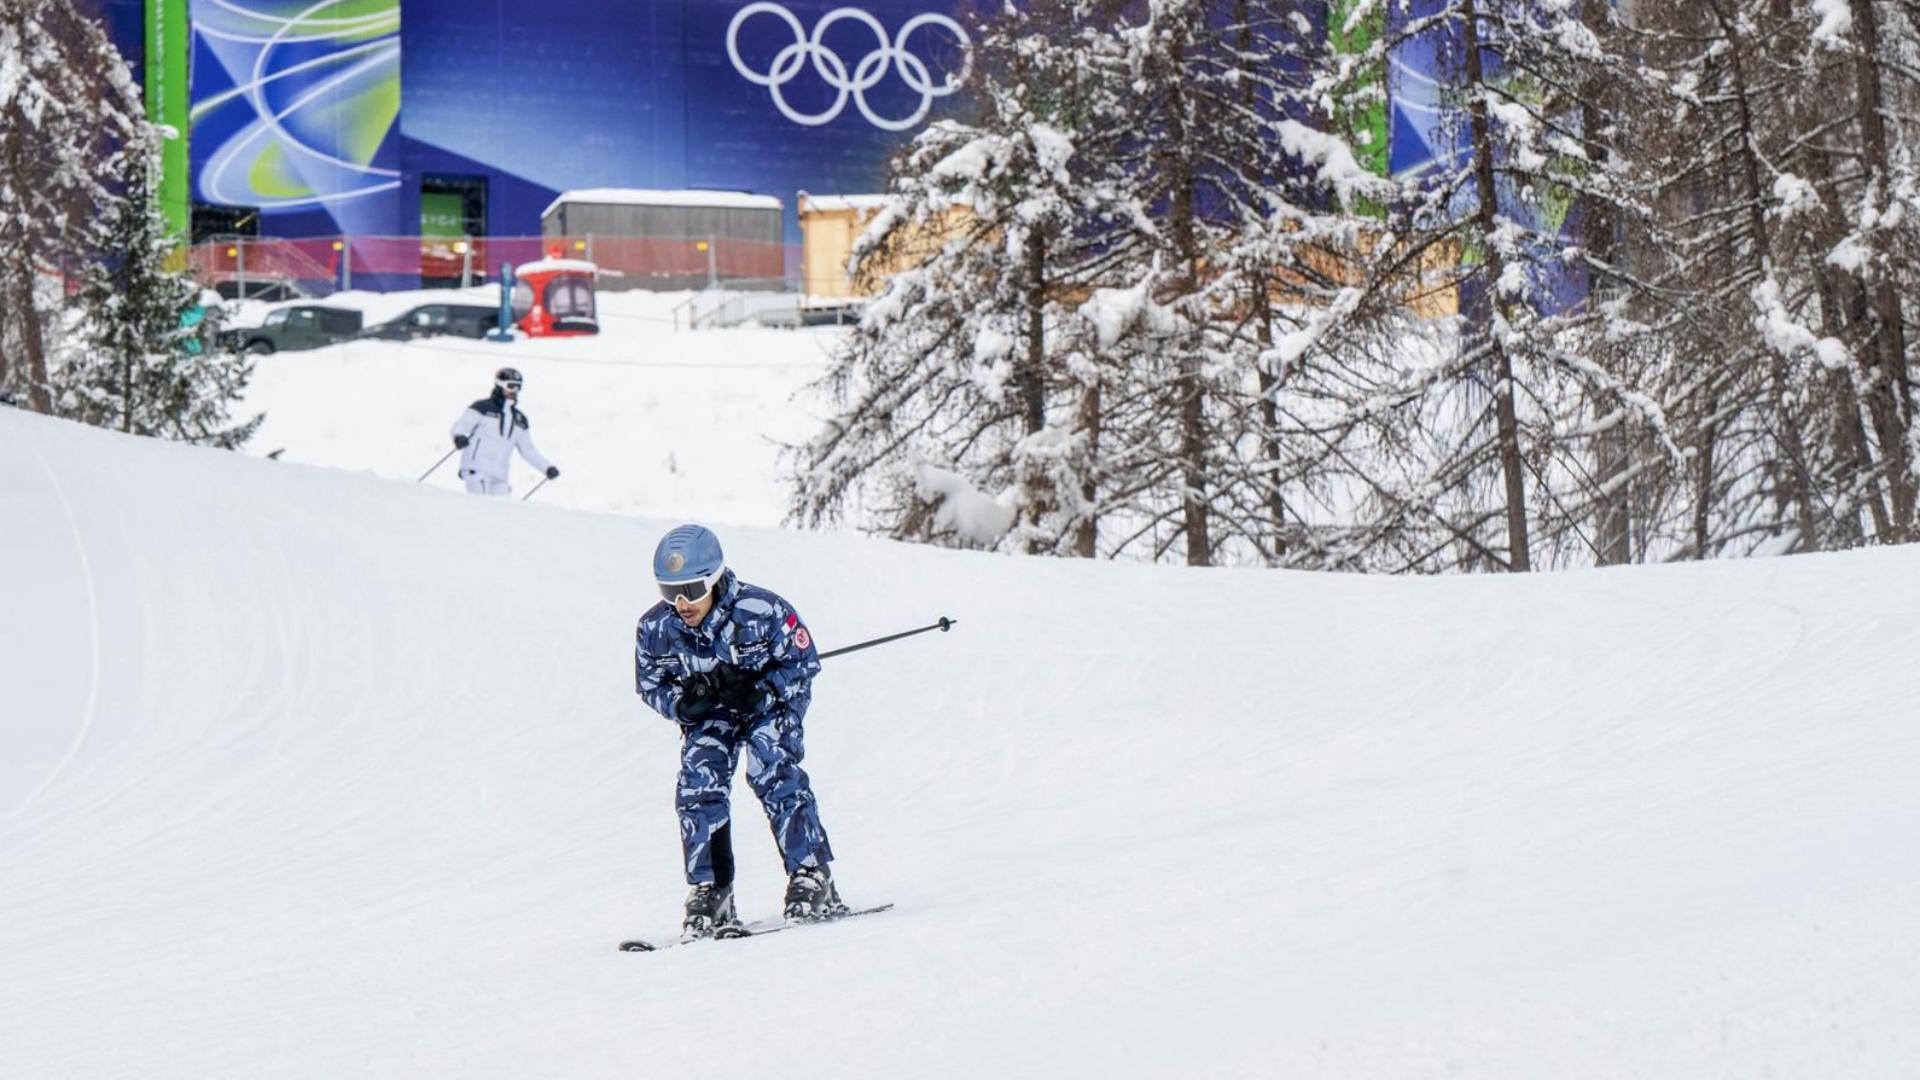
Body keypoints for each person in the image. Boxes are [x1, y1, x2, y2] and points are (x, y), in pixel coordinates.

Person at [633, 523, 843, 938]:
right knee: (699, 779)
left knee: (770, 764)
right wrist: (681, 703)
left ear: (714, 579)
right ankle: (713, 887)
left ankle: (811, 875)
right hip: (713, 714)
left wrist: (764, 691)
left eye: (692, 590)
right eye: (668, 591)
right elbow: (650, 684)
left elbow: (803, 663)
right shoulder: (656, 629)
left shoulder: (762, 610)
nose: (681, 603)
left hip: (770, 707)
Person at [448, 367, 558, 495]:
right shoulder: (482, 407)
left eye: (518, 387)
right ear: (499, 385)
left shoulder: (520, 420)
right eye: (511, 386)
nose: (515, 390)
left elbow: (528, 450)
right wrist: (458, 436)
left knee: (501, 511)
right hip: (477, 467)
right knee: (481, 507)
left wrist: (546, 468)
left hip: (500, 474)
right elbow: (463, 424)